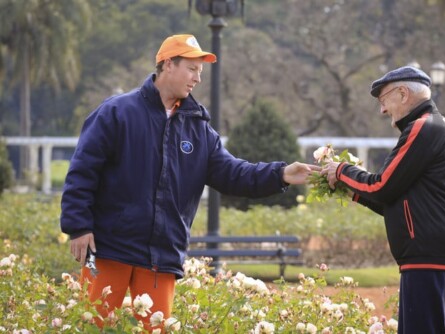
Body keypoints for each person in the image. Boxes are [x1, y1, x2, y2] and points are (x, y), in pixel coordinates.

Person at [60, 34, 320, 331]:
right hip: (108, 249)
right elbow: (82, 171)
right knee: (89, 327)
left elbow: (234, 173)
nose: (197, 79)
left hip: (161, 256)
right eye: (192, 69)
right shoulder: (116, 112)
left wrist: (282, 174)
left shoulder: (200, 129)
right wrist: (79, 226)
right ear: (168, 65)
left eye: (200, 72)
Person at [322, 66, 445, 334]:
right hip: (433, 251)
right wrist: (352, 190)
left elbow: (382, 186)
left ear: (402, 93)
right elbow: (396, 200)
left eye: (383, 100)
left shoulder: (423, 127)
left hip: (428, 252)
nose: (382, 110)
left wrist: (341, 171)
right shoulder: (438, 126)